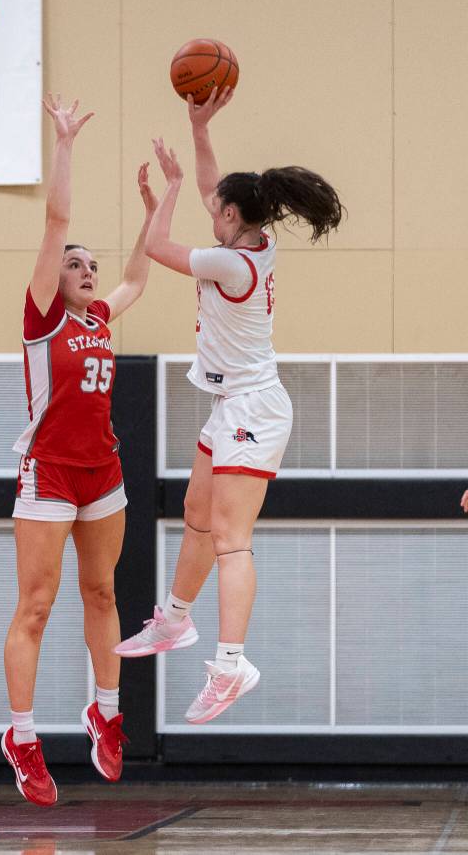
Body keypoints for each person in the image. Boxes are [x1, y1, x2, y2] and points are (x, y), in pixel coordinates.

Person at [116, 86, 344, 724]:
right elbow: (219, 189)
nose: (207, 209)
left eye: (213, 208)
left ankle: (232, 663)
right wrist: (200, 128)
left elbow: (160, 251)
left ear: (231, 218)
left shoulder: (227, 262)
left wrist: (162, 196)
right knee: (194, 511)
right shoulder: (253, 239)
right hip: (232, 405)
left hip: (254, 408)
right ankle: (175, 622)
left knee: (230, 538)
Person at [0, 94, 157, 807]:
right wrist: (64, 143)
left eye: (91, 264)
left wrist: (164, 203)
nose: (88, 270)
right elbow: (56, 220)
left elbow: (138, 278)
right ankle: (23, 737)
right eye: (76, 264)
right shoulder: (40, 315)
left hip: (104, 470)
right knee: (36, 605)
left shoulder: (98, 313)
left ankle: (106, 711)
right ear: (52, 276)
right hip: (50, 471)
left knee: (103, 592)